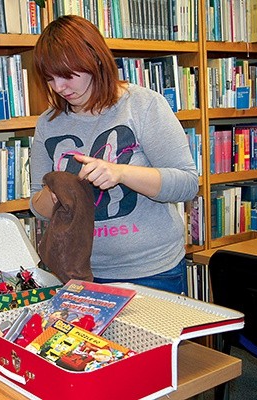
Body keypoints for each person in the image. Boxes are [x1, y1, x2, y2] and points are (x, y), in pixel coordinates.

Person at [29, 15, 198, 295]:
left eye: (67, 75)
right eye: (50, 79)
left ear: (95, 60)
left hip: (151, 272)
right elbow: (37, 206)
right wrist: (57, 193)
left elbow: (187, 184)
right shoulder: (48, 123)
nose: (59, 88)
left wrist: (120, 173)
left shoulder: (143, 105)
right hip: (77, 274)